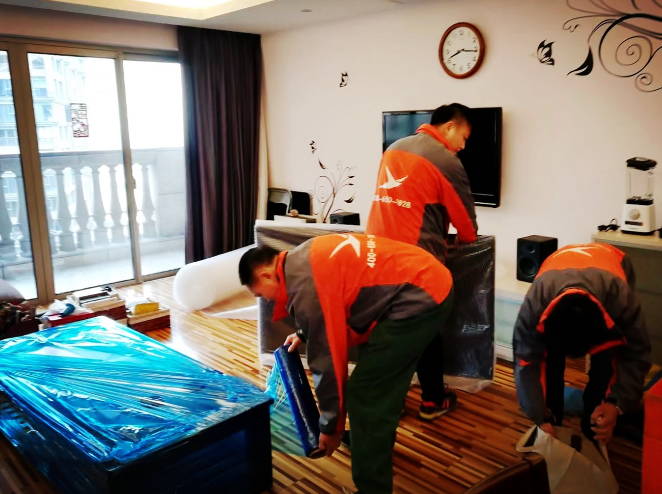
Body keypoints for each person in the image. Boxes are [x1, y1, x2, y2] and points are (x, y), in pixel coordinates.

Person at [239, 233, 454, 494]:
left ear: (266, 275)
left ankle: (372, 488)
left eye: (260, 294)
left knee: (366, 393)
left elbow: (328, 362)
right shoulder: (301, 258)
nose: (266, 299)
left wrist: (331, 428)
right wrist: (306, 332)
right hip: (419, 278)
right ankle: (368, 440)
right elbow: (334, 297)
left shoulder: (306, 290)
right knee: (375, 381)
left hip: (421, 296)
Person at [365, 103, 478, 421]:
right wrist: (461, 238)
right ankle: (432, 401)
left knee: (389, 331)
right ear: (450, 127)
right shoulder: (445, 160)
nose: (463, 146)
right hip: (413, 260)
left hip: (375, 253)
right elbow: (467, 228)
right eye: (464, 137)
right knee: (425, 329)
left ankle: (391, 402)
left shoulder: (394, 147)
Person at [513, 243, 651, 444]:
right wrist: (540, 417)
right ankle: (553, 422)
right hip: (559, 263)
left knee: (604, 362)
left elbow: (636, 354)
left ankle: (594, 427)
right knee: (551, 364)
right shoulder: (535, 304)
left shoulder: (621, 300)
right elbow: (526, 362)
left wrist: (616, 404)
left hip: (613, 259)